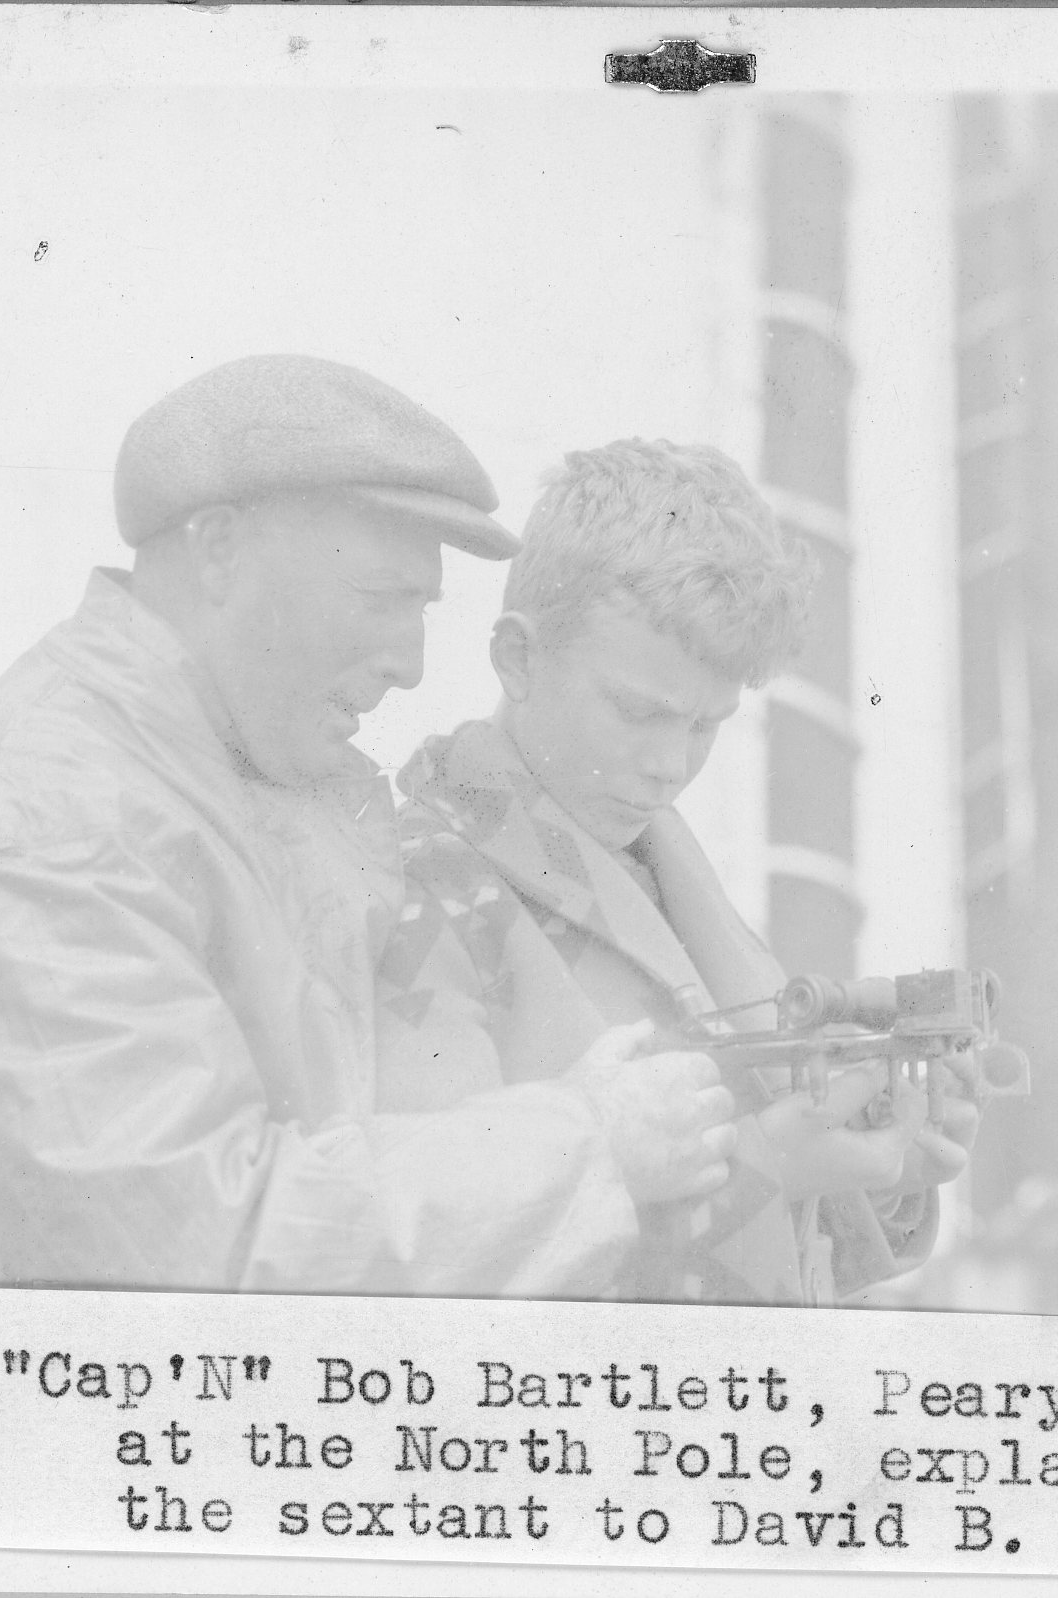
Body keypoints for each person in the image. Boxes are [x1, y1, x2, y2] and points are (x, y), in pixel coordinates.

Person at [0, 358, 735, 1318]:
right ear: (219, 552)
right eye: (380, 600)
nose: (409, 661)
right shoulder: (53, 829)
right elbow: (197, 1253)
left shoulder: (233, 777)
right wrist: (586, 1141)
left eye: (423, 610)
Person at [375, 439, 983, 1305]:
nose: (671, 766)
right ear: (517, 657)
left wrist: (882, 1167)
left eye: (707, 726)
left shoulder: (662, 869)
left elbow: (794, 1259)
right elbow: (445, 1268)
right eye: (639, 713)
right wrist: (766, 1168)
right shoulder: (416, 889)